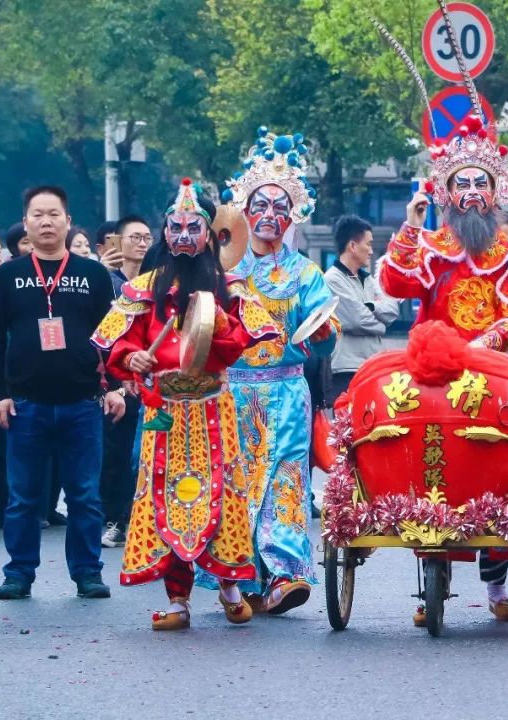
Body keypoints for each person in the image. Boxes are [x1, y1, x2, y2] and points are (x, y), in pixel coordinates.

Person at [380, 114, 508, 624]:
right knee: (428, 459)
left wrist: (486, 342)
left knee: (503, 467)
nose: (473, 192)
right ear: (446, 193)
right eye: (462, 183)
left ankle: (497, 586)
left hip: (496, 369)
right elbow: (395, 285)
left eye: (482, 182)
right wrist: (412, 225)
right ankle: (432, 581)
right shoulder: (431, 245)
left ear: (496, 190)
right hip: (432, 370)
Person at [92, 177, 279, 630]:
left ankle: (231, 589)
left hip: (214, 407)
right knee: (167, 499)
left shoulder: (229, 286)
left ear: (209, 234)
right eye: (173, 228)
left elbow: (241, 343)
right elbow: (114, 343)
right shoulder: (144, 287)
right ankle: (178, 600)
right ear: (164, 233)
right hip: (163, 410)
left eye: (191, 228)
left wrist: (213, 324)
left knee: (223, 496)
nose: (181, 236)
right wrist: (130, 356)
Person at [208, 127, 338, 615]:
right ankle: (236, 576)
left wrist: (323, 334)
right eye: (260, 205)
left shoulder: (305, 272)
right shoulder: (222, 269)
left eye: (280, 207)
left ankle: (285, 574)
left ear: (292, 216)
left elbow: (324, 323)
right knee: (234, 481)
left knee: (285, 477)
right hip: (228, 392)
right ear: (243, 210)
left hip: (285, 391)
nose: (269, 215)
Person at [0, 186, 126, 600]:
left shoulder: (93, 274)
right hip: (25, 403)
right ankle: (19, 572)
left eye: (54, 214)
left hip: (83, 403)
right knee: (23, 496)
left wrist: (115, 387)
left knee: (85, 494)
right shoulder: (7, 275)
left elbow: (112, 337)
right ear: (26, 222)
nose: (46, 222)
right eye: (37, 215)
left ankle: (87, 572)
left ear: (68, 220)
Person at [98, 215, 152, 550]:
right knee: (116, 456)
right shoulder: (106, 282)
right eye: (134, 237)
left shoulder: (156, 285)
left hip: (150, 380)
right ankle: (114, 519)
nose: (142, 243)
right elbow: (101, 338)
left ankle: (142, 518)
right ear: (117, 241)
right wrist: (112, 386)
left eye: (147, 237)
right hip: (116, 382)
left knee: (145, 458)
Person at [324, 215, 399, 401]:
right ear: (352, 246)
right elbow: (357, 320)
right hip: (346, 369)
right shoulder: (332, 279)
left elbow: (393, 310)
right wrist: (381, 326)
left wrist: (371, 306)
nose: (371, 251)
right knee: (347, 427)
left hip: (372, 365)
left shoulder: (367, 279)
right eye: (368, 244)